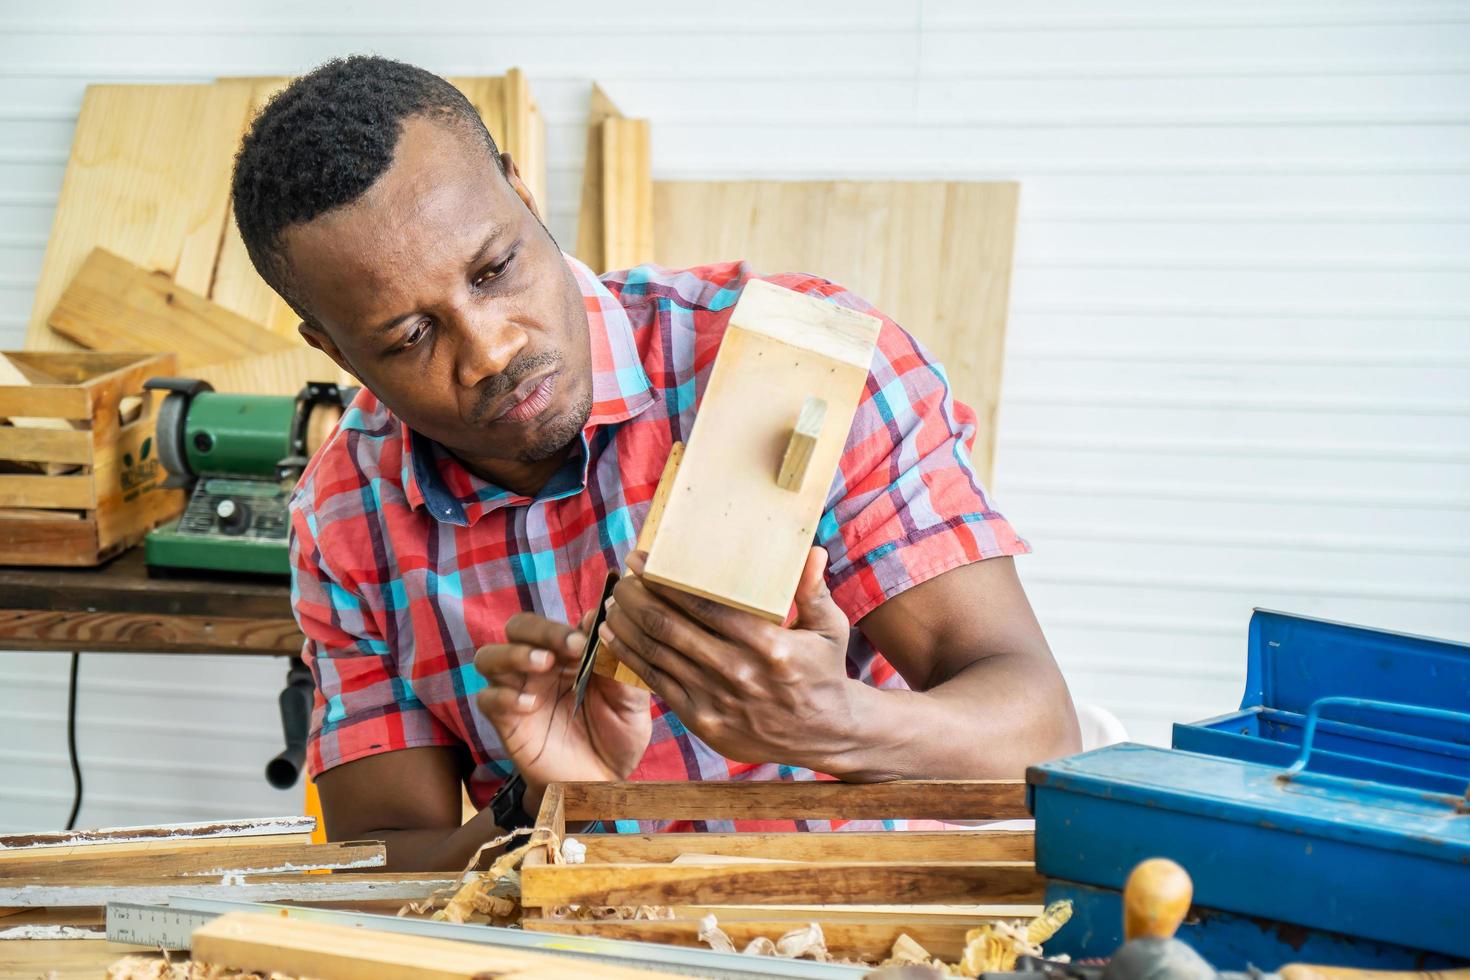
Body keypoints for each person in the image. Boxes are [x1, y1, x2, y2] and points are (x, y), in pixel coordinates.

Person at [230, 55, 1081, 871]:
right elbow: (379, 872)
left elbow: (1042, 739)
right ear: (332, 350)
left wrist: (835, 725)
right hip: (586, 940)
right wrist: (542, 803)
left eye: (495, 270)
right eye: (411, 336)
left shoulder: (795, 365)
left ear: (524, 192)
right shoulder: (347, 515)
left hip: (878, 921)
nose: (490, 350)